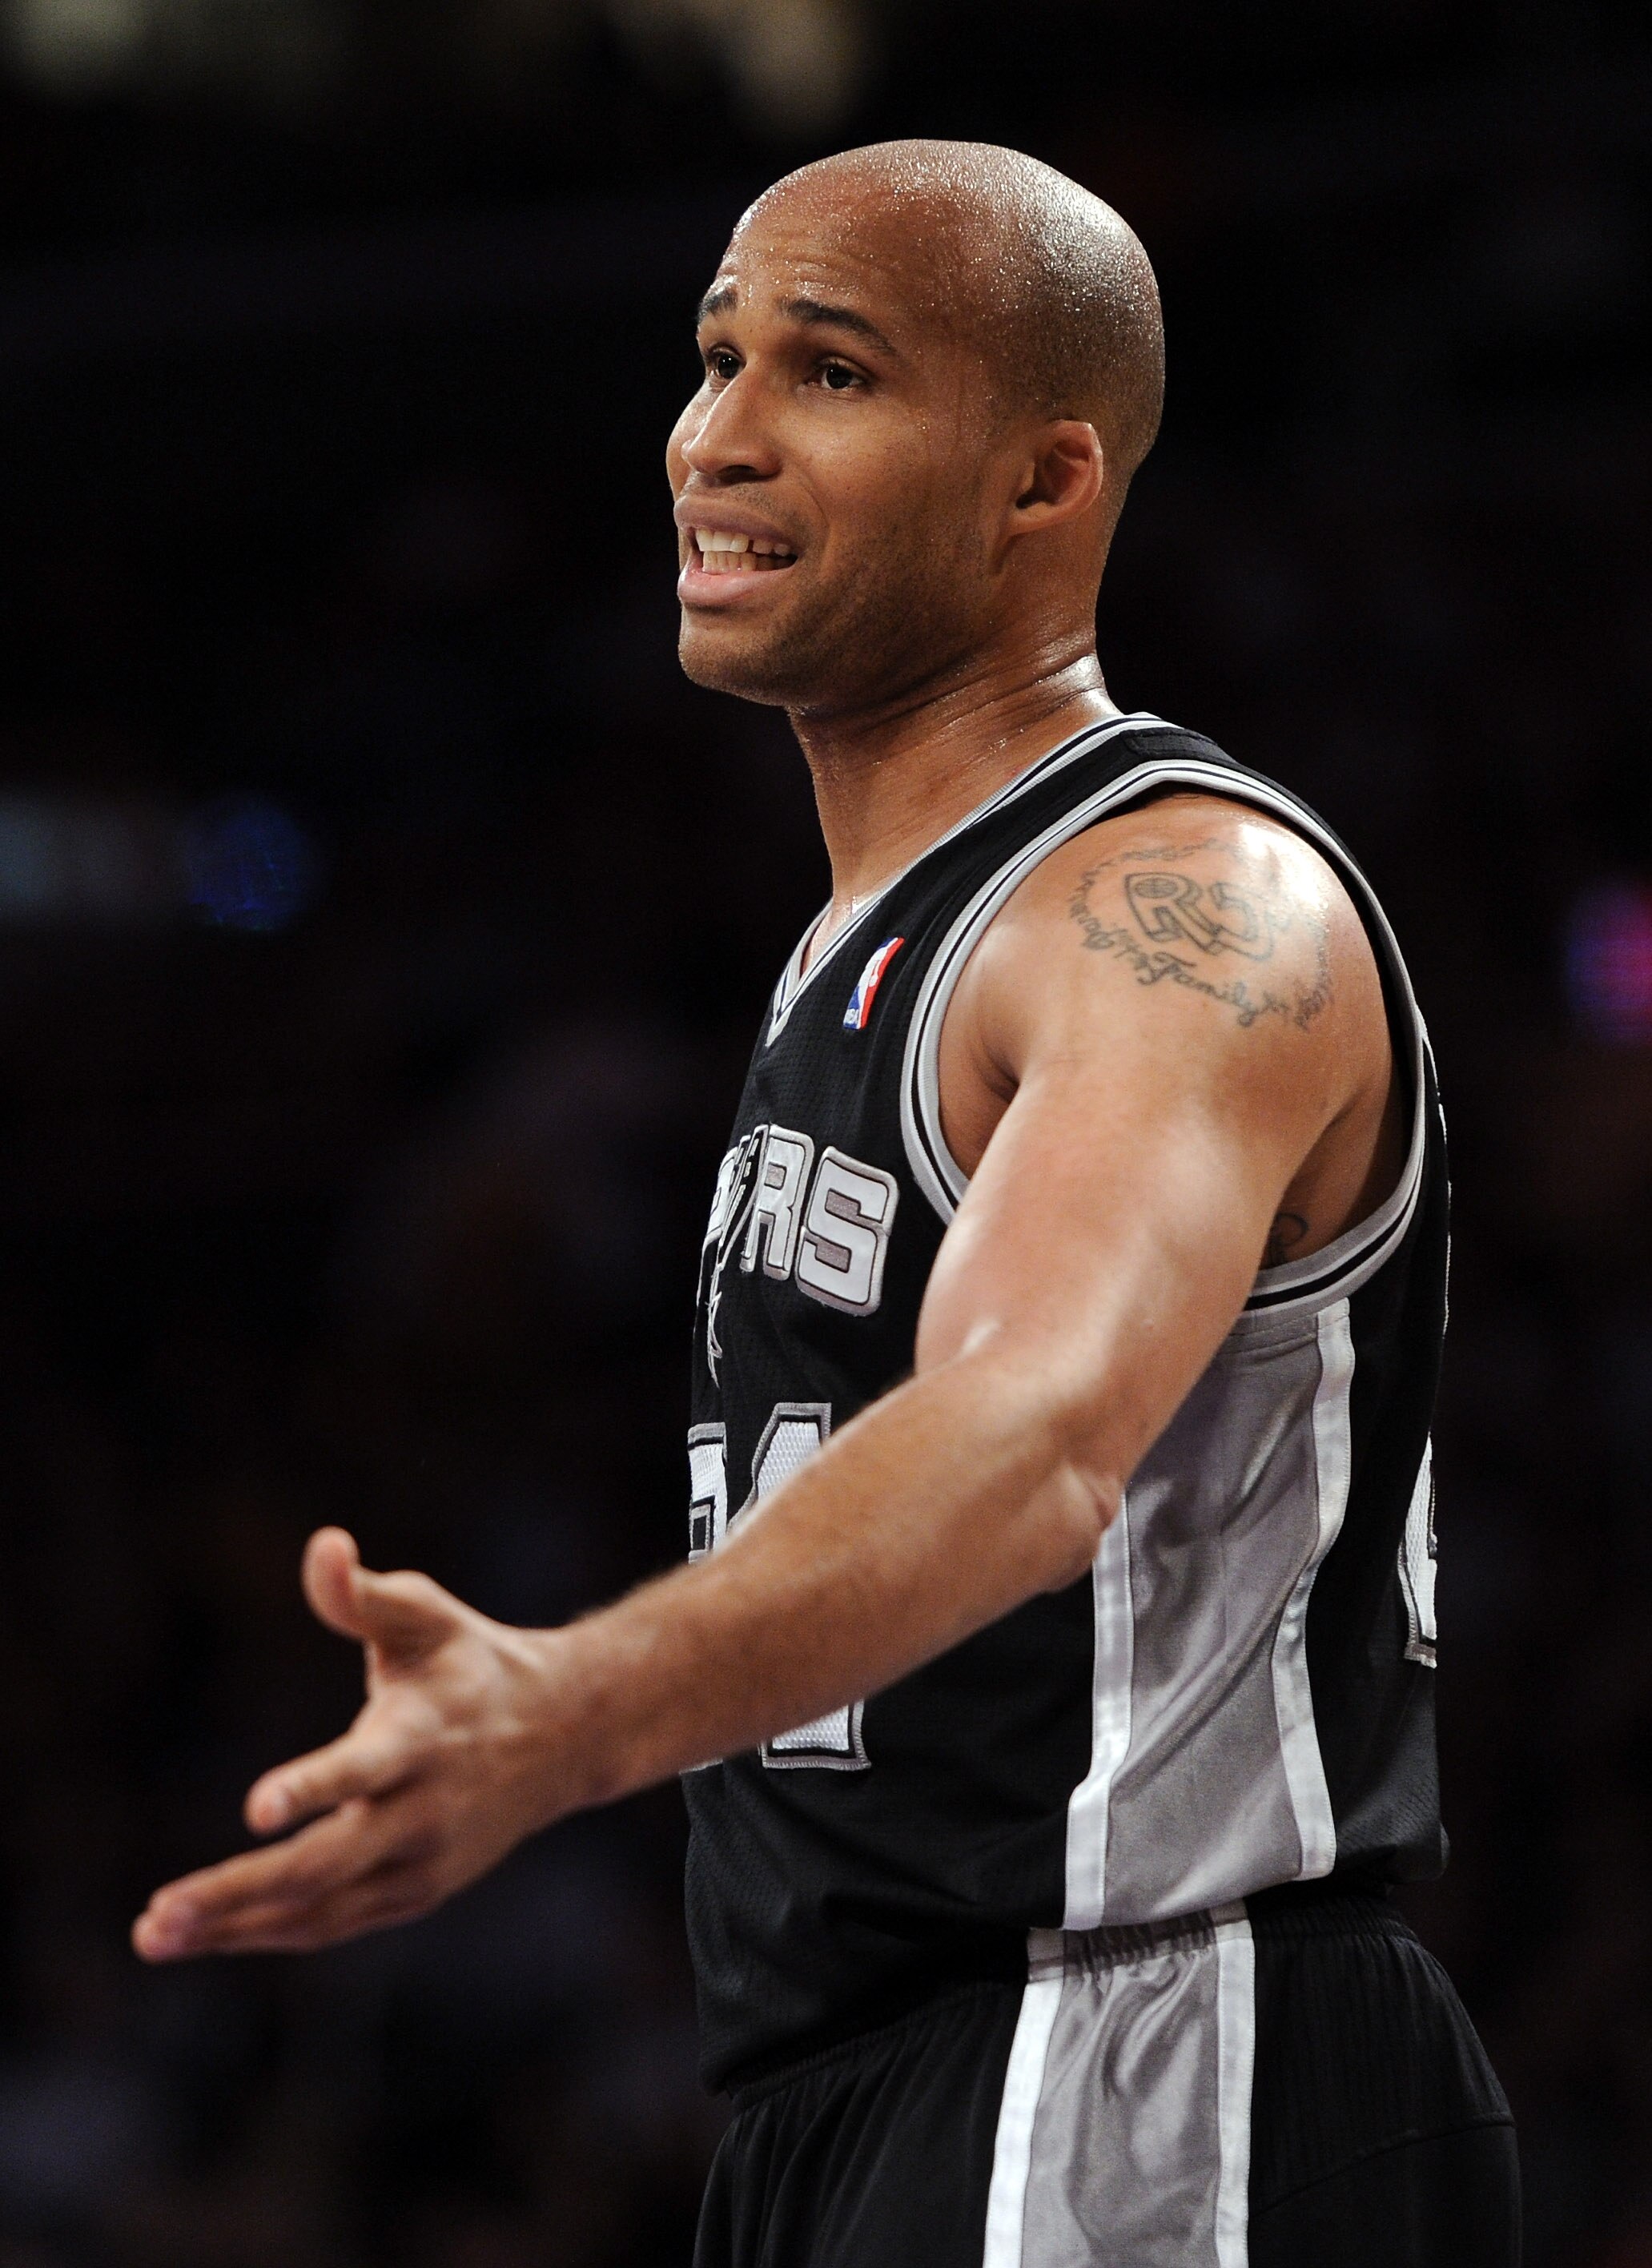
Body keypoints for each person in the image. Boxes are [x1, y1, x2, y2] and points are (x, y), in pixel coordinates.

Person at [135, 142, 1518, 2266]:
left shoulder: (1181, 901)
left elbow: (1039, 1430)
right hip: (867, 2086)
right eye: (715, 357)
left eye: (833, 371)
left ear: (1043, 485)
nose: (720, 435)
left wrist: (566, 1713)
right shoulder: (864, 942)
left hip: (1146, 2055)